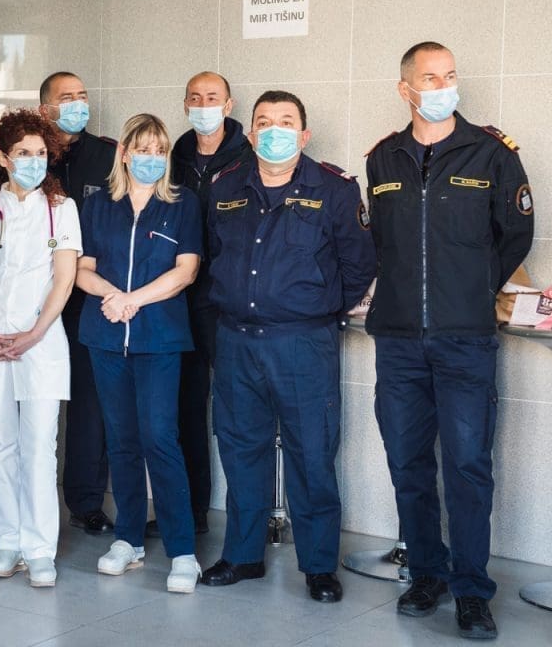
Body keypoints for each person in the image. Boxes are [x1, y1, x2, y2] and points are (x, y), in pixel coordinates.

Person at [366, 42, 534, 639]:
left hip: (465, 340)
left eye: (450, 76)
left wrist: (473, 289)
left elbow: (516, 235)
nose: (443, 86)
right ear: (405, 88)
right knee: (408, 462)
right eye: (430, 78)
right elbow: (381, 243)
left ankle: (471, 590)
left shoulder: (491, 153)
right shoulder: (382, 159)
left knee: (466, 465)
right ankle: (426, 574)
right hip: (398, 340)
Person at [201, 90, 374, 604]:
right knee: (241, 450)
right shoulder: (225, 186)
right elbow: (214, 254)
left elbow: (359, 264)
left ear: (304, 134)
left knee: (312, 453)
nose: (273, 131)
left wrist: (319, 310)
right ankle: (243, 555)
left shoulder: (335, 189)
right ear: (251, 133)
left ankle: (319, 566)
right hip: (237, 341)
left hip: (302, 344)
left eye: (285, 122)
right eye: (263, 122)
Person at [76, 112, 203, 594]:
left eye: (160, 151)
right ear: (124, 153)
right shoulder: (97, 205)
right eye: (143, 149)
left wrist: (133, 300)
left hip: (159, 338)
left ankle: (182, 550)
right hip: (106, 336)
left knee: (160, 438)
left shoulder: (182, 204)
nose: (152, 158)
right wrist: (114, 296)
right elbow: (82, 269)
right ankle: (127, 539)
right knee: (121, 439)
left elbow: (186, 271)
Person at [0, 110, 80, 589]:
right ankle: (7, 542)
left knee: (40, 446)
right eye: (24, 153)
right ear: (4, 159)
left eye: (41, 153)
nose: (34, 161)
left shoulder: (61, 208)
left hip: (40, 342)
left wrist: (34, 333)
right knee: (1, 446)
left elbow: (64, 279)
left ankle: (40, 548)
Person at [164, 70, 252, 537]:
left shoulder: (250, 155)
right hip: (180, 300)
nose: (203, 105)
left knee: (238, 413)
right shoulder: (172, 157)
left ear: (229, 104)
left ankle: (245, 522)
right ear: (185, 105)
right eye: (195, 98)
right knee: (184, 410)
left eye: (212, 97)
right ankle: (190, 511)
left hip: (229, 302)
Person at [38, 71, 116, 537]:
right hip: (36, 296)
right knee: (37, 399)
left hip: (87, 296)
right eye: (66, 97)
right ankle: (32, 499)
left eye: (82, 96)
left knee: (90, 402)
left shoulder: (108, 155)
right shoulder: (27, 153)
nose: (77, 104)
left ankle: (85, 502)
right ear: (45, 108)